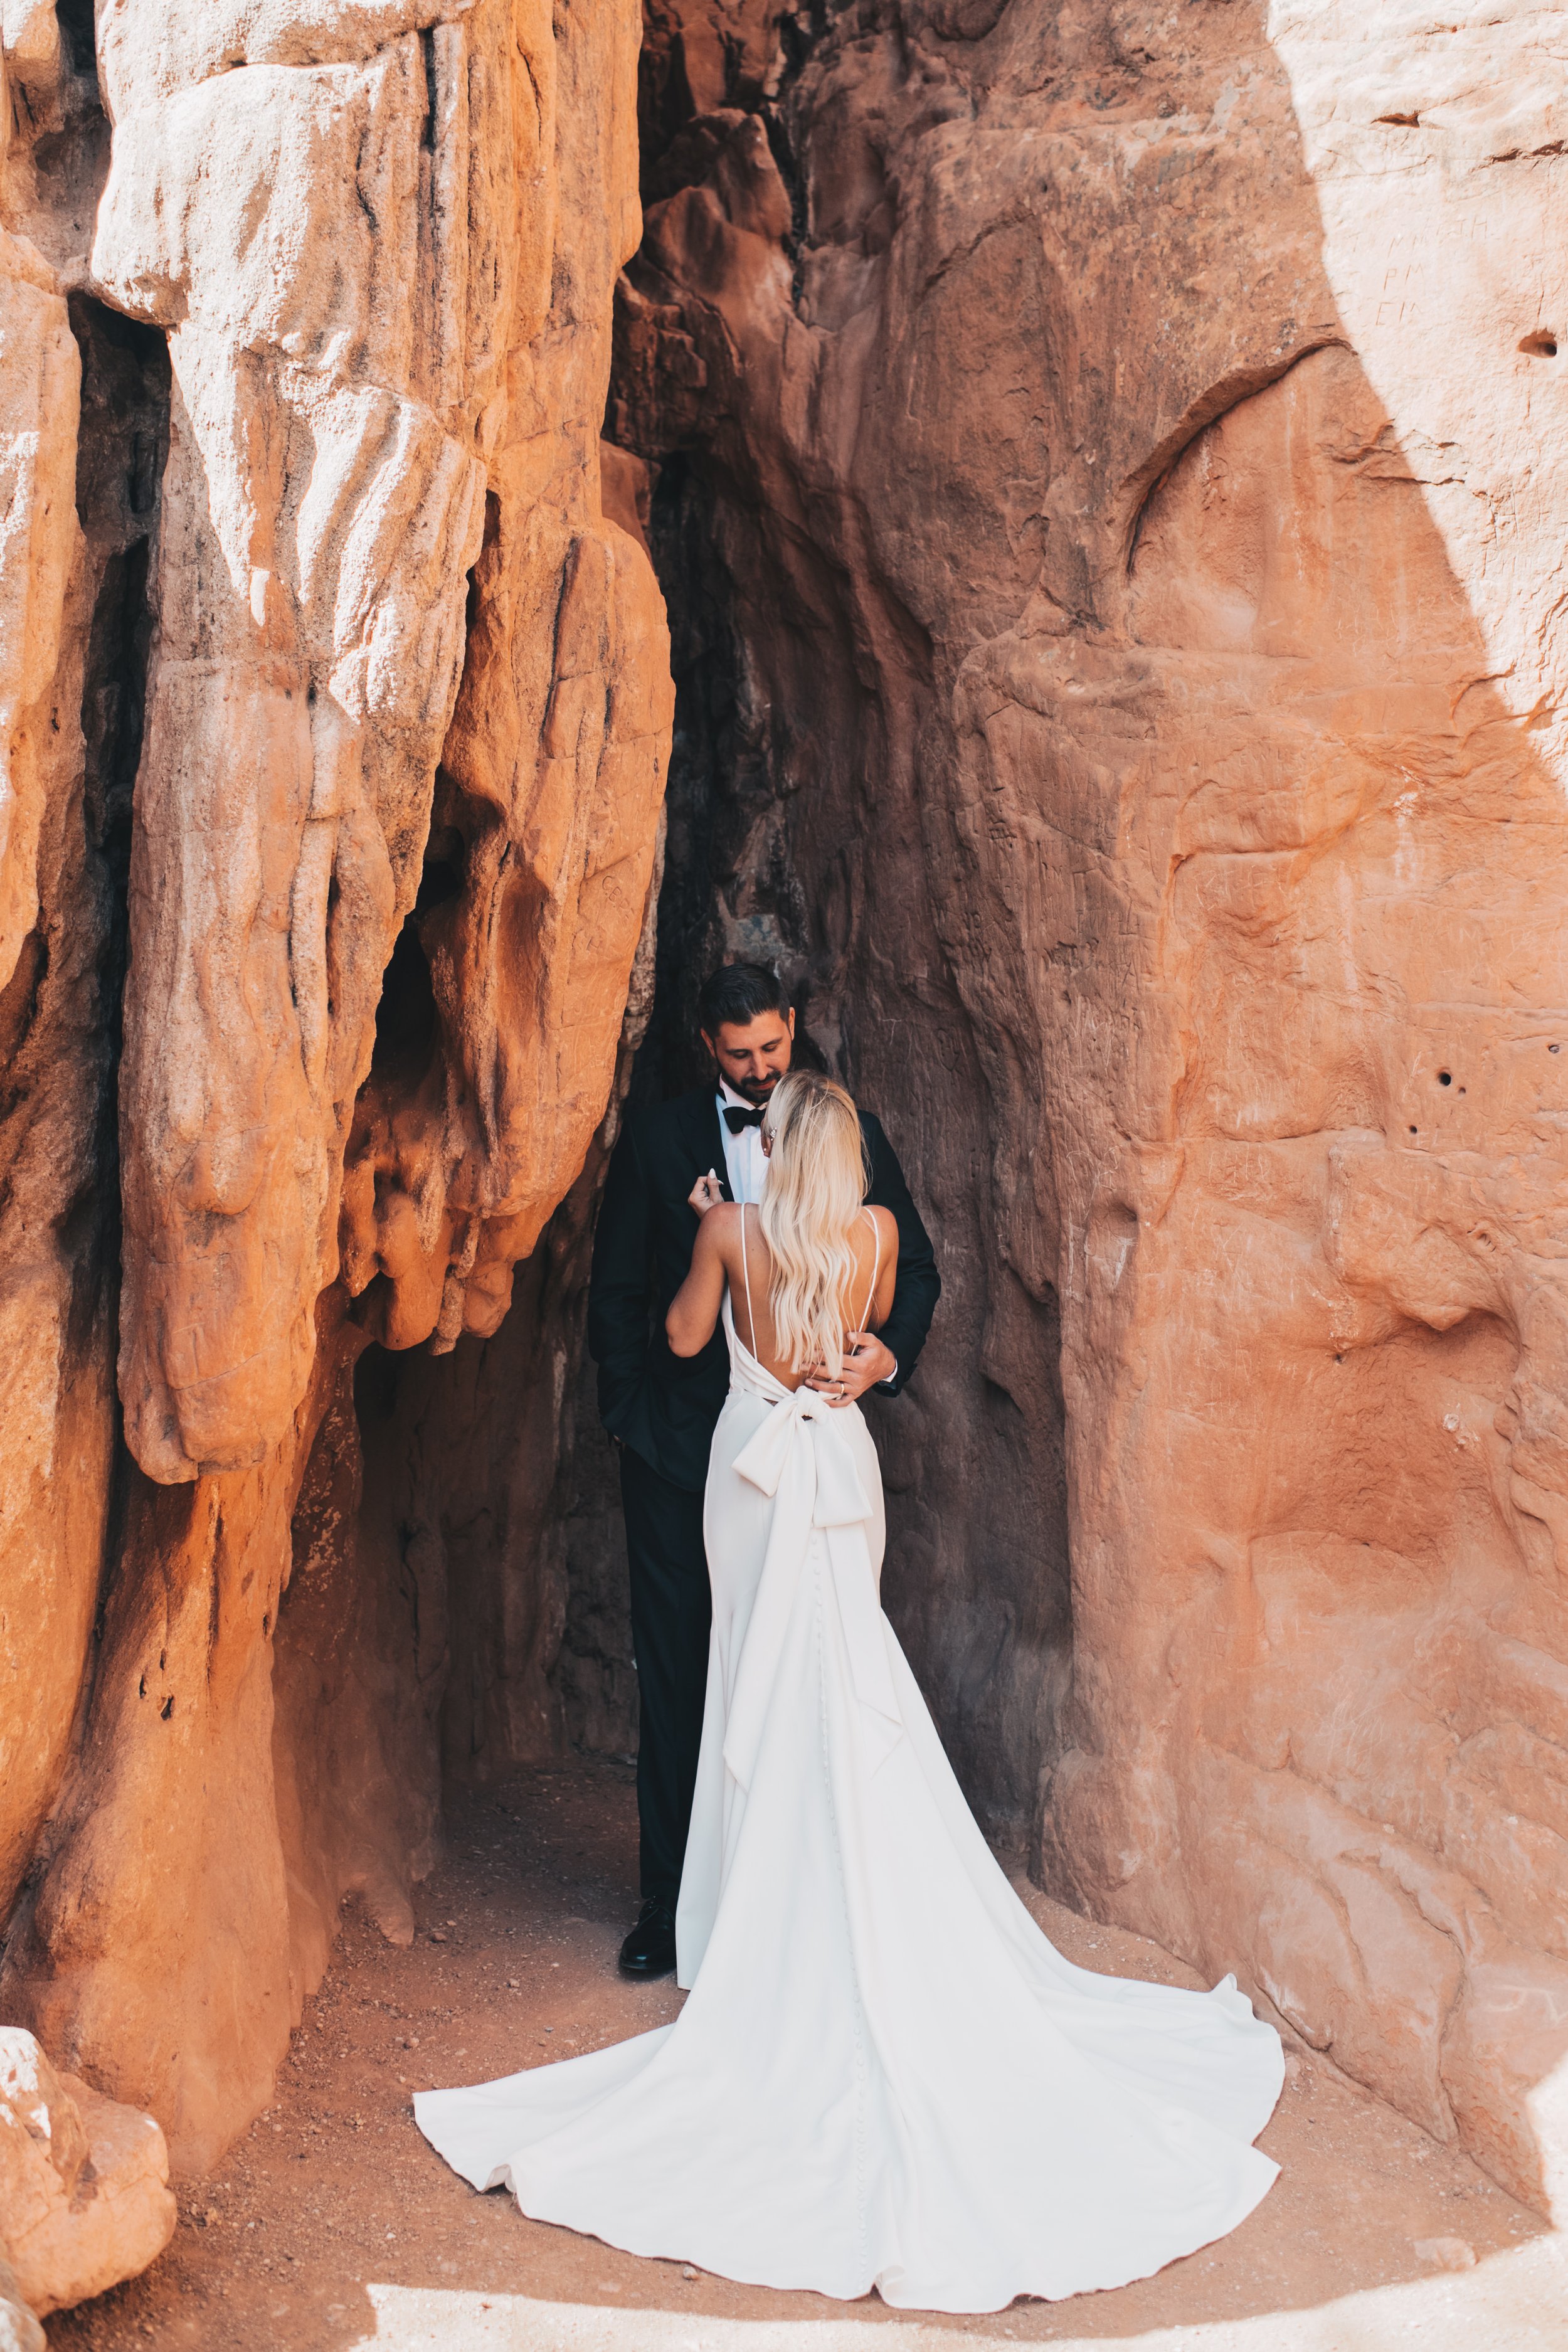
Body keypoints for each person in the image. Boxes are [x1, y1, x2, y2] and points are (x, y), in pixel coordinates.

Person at [414, 1070, 1283, 2311]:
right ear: (846, 1158)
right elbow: (882, 1328)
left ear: (775, 1154)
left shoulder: (727, 1230)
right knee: (844, 1669)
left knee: (751, 1686)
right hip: (837, 1476)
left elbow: (672, 1341)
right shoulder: (872, 1242)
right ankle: (851, 1891)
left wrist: (714, 1226)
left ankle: (734, 1925)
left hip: (747, 1479)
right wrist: (861, 1355)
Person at [585, 963, 940, 1978]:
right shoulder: (658, 1140)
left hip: (802, 1437)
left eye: (773, 1049)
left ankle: (806, 1900)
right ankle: (672, 1902)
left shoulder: (847, 1132)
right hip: (680, 1449)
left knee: (799, 1660)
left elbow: (912, 1272)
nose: (758, 1067)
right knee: (685, 1667)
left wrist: (888, 1354)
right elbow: (617, 1287)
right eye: (739, 1054)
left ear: (794, 1033)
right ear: (708, 1045)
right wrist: (628, 1419)